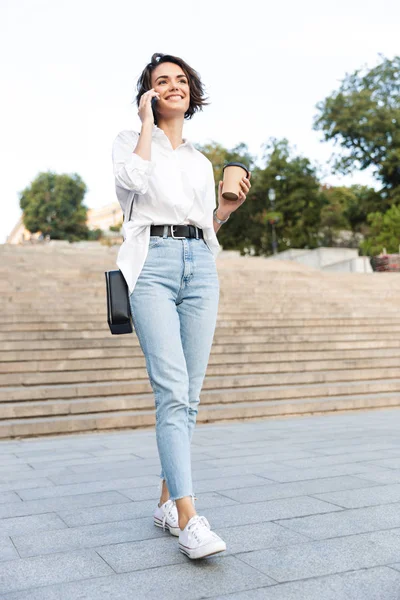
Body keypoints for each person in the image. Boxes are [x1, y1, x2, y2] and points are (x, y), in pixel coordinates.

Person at [112, 53, 251, 560]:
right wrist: (147, 124)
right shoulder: (129, 142)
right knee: (172, 390)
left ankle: (167, 502)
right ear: (148, 94)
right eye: (161, 81)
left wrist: (225, 211)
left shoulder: (199, 159)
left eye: (181, 80)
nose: (174, 86)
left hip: (200, 265)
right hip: (152, 266)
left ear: (192, 92)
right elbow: (134, 183)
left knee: (189, 395)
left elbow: (204, 227)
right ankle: (191, 521)